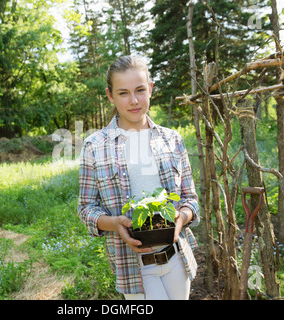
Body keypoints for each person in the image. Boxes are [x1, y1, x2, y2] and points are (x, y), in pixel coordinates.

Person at [77, 55, 200, 300]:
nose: (134, 101)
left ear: (151, 89)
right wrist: (115, 224)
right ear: (110, 96)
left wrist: (180, 219)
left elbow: (191, 200)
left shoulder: (171, 140)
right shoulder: (94, 146)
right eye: (123, 93)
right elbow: (85, 208)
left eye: (140, 90)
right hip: (133, 267)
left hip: (177, 258)